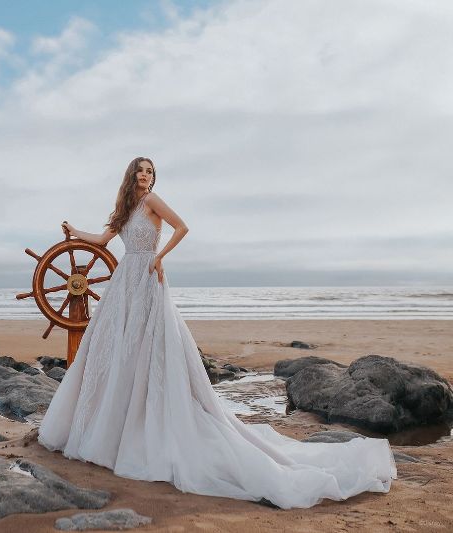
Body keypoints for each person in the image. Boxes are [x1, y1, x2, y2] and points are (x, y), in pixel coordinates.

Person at [37, 156, 396, 509]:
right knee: (118, 352)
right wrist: (73, 233)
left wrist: (159, 257)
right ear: (131, 176)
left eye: (151, 172)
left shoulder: (151, 202)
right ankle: (114, 424)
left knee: (148, 349)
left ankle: (142, 423)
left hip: (146, 279)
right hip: (123, 286)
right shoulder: (125, 209)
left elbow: (182, 227)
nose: (146, 176)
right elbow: (101, 241)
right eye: (141, 171)